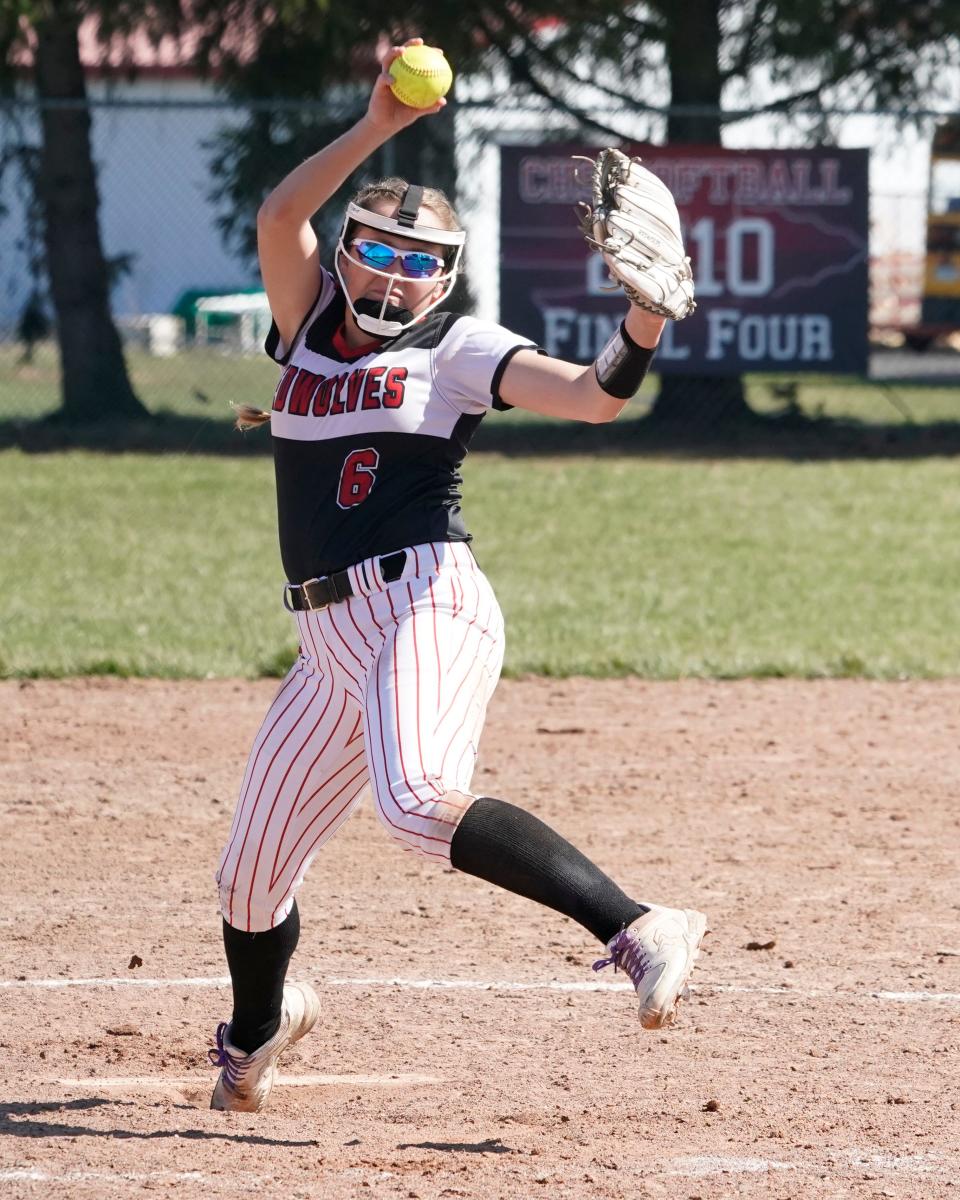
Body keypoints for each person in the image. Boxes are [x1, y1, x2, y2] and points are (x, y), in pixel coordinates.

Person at [207, 37, 707, 1113]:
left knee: (420, 800)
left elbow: (593, 394)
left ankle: (638, 926)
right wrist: (381, 124)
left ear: (449, 274)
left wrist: (645, 321)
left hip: (423, 602)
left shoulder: (456, 348)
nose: (397, 273)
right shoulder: (301, 337)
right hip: (326, 644)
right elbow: (276, 218)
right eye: (379, 250)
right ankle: (260, 1026)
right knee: (248, 876)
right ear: (345, 255)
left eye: (421, 259)